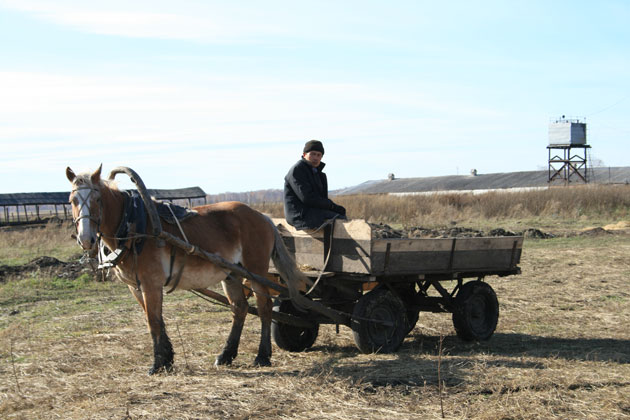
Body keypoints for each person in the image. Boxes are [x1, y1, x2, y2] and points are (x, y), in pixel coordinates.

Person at [283, 140, 347, 230]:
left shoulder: (319, 174)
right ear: (304, 154)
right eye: (312, 154)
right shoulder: (298, 170)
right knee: (339, 219)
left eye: (318, 155)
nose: (316, 158)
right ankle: (334, 244)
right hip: (300, 215)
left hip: (312, 212)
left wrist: (333, 207)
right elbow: (307, 198)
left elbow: (322, 199)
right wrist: (331, 205)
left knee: (340, 213)